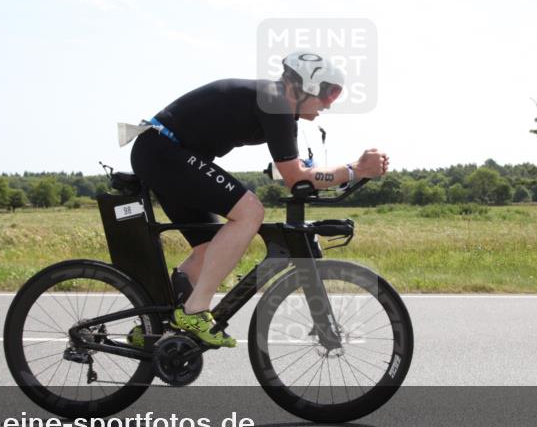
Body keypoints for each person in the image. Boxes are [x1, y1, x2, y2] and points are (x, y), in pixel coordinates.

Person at [129, 51, 389, 347]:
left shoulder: (279, 108)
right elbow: (296, 177)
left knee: (206, 249)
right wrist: (355, 169)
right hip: (164, 152)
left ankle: (155, 327)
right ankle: (195, 311)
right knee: (250, 212)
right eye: (330, 92)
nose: (330, 103)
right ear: (309, 83)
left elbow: (291, 172)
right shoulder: (275, 101)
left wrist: (340, 175)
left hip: (165, 152)